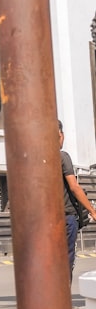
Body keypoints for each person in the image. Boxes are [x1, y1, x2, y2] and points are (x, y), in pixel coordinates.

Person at [60, 120, 96, 280]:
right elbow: (74, 187)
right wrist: (92, 211)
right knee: (67, 258)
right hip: (66, 217)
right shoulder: (62, 156)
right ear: (60, 135)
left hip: (44, 219)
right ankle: (64, 299)